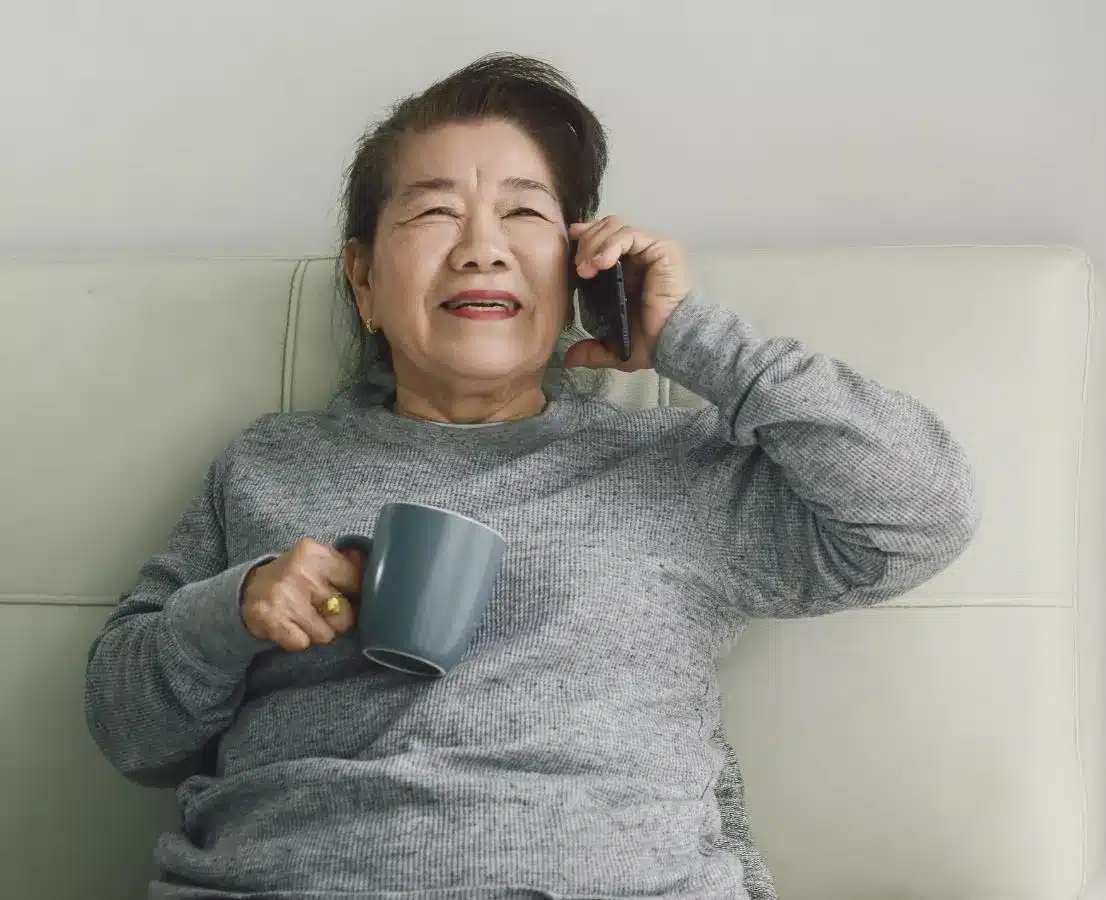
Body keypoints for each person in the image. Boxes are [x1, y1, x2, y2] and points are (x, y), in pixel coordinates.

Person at [84, 53, 980, 900]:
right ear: (362, 278)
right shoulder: (267, 464)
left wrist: (691, 338)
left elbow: (924, 513)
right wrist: (235, 610)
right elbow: (130, 730)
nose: (481, 249)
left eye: (523, 214)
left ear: (579, 262)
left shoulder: (677, 467)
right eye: (434, 213)